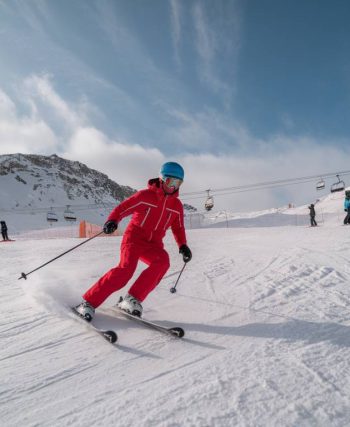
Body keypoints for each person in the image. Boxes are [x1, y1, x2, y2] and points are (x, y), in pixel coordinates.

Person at [75, 162, 192, 320]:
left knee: (162, 262)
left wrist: (183, 245)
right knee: (126, 269)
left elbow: (178, 227)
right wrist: (113, 220)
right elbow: (123, 208)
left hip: (154, 244)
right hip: (134, 239)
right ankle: (87, 303)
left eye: (178, 183)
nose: (174, 186)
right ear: (163, 179)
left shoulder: (176, 206)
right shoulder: (145, 196)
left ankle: (131, 299)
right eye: (171, 181)